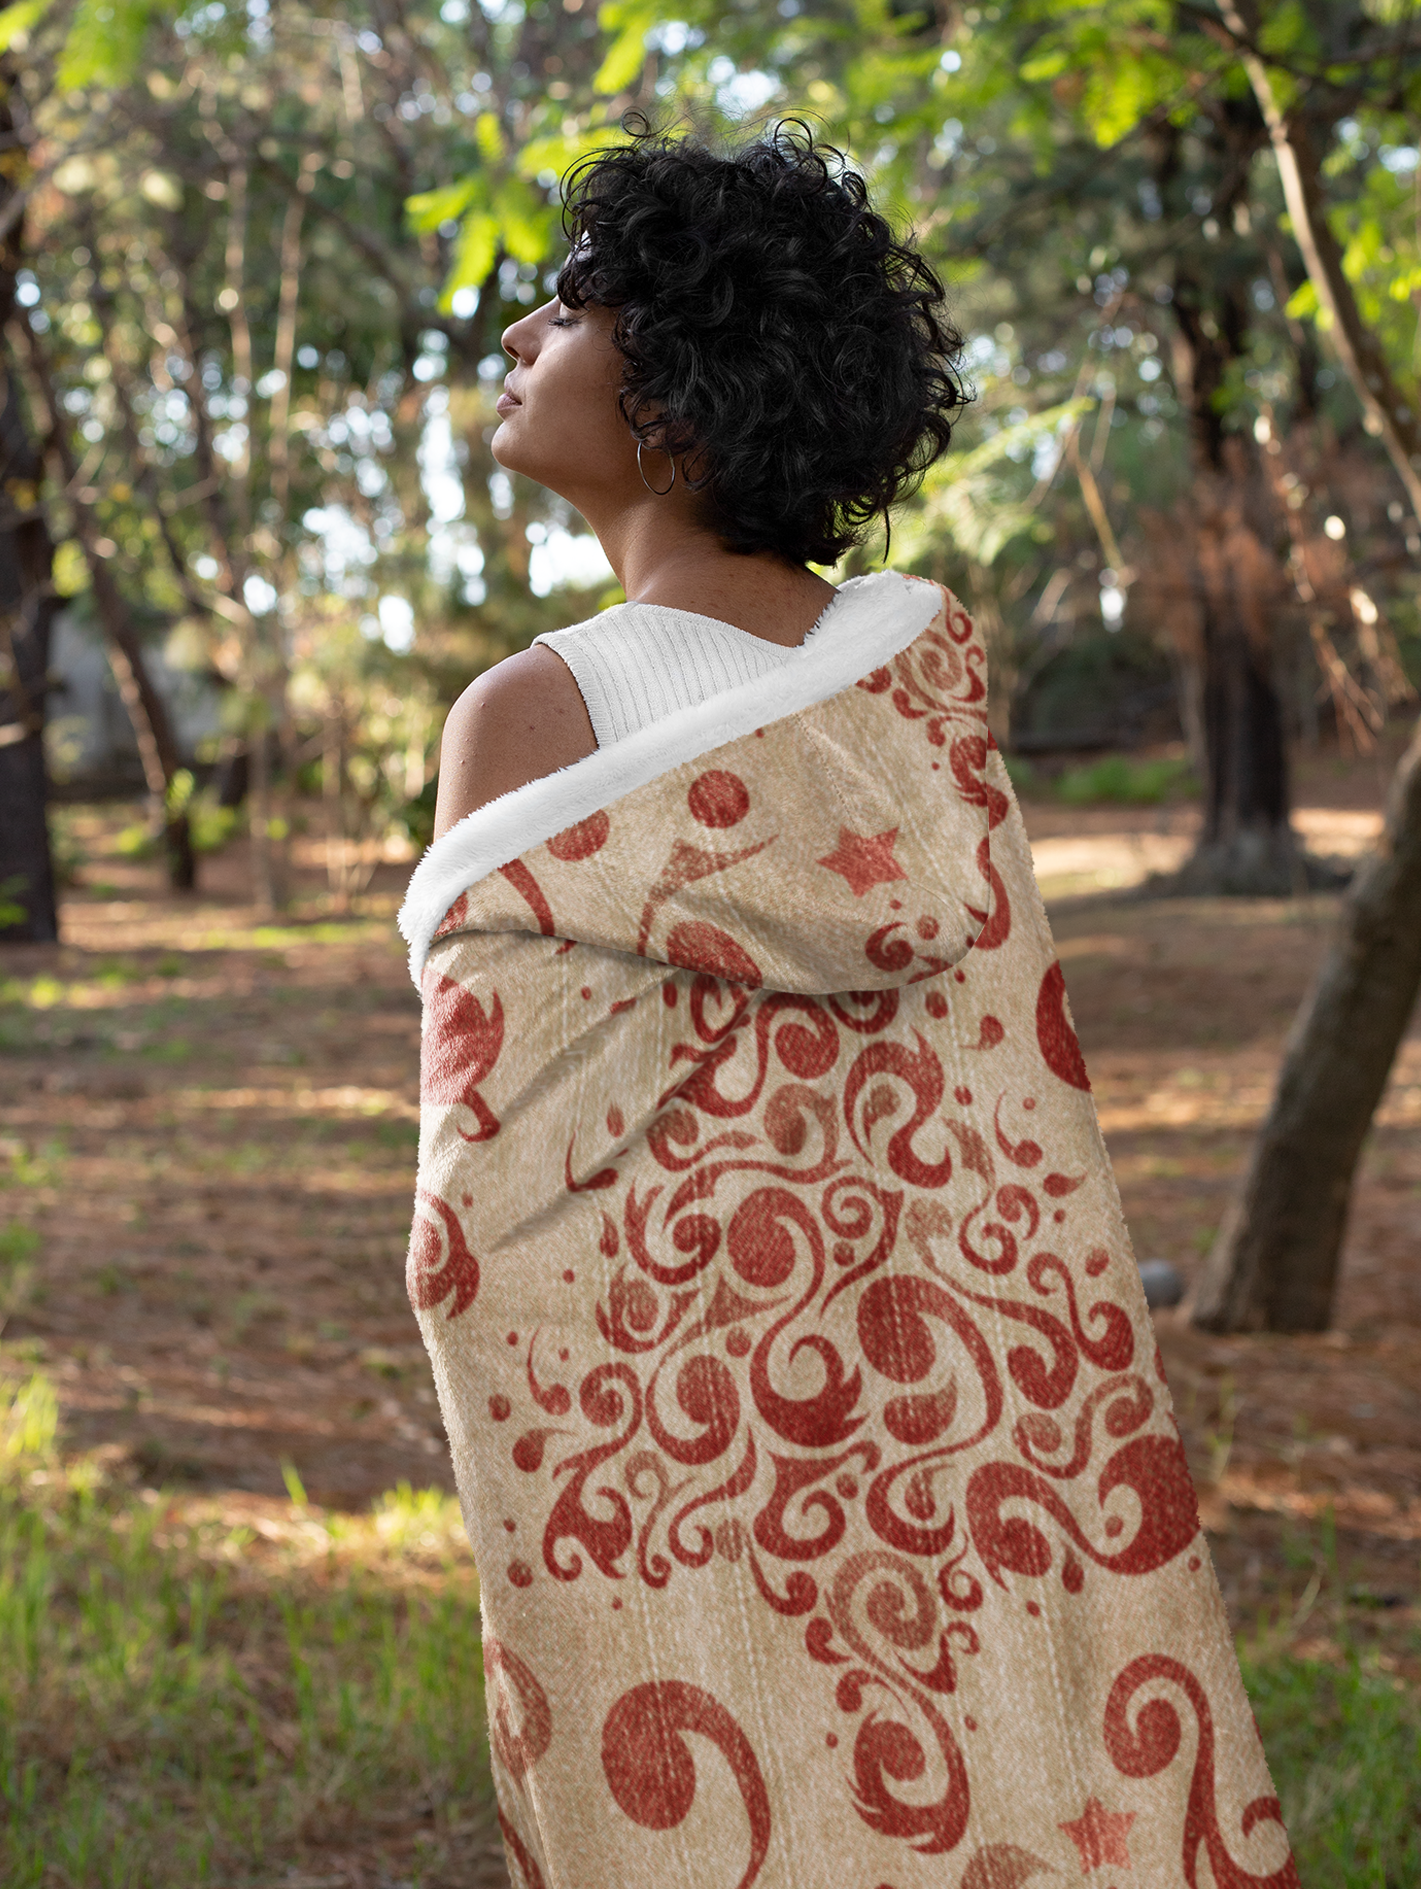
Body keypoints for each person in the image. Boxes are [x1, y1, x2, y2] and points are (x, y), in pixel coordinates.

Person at [399, 122, 1295, 1889]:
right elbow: (1006, 1125)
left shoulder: (537, 717)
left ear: (676, 382)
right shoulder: (919, 697)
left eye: (570, 304)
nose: (518, 336)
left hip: (674, 1474)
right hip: (968, 1454)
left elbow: (482, 1208)